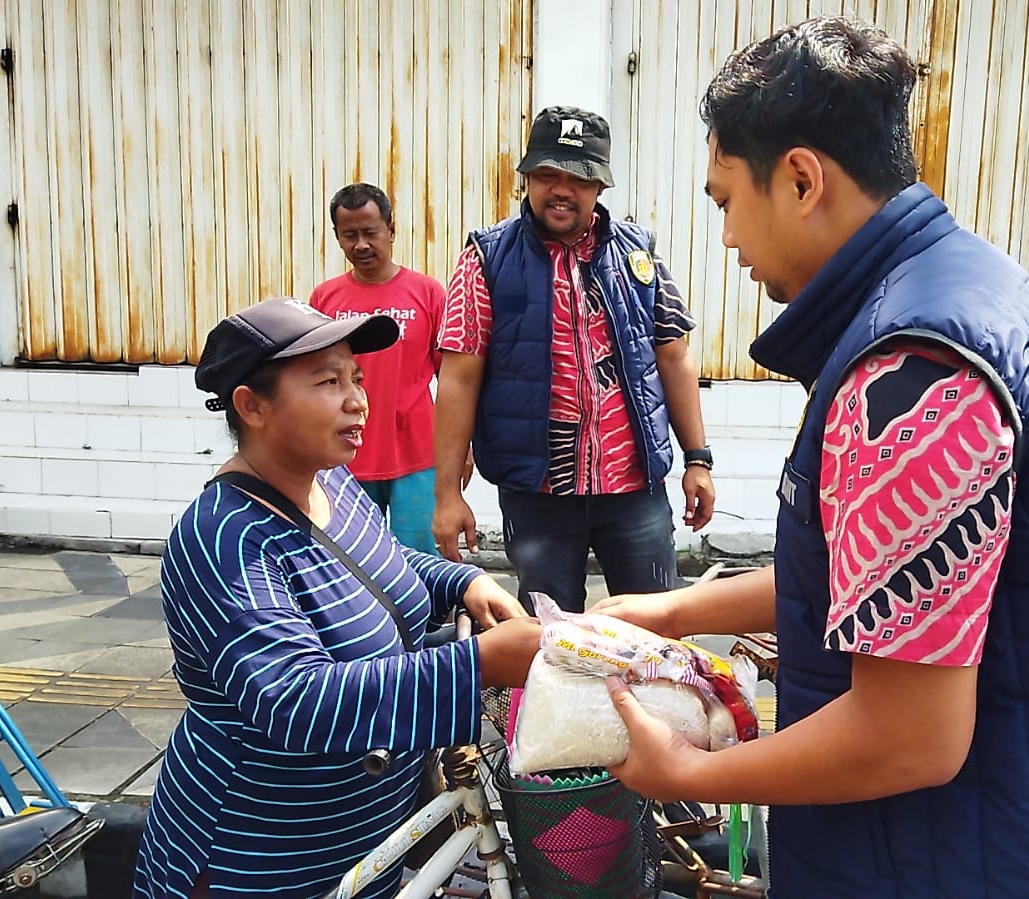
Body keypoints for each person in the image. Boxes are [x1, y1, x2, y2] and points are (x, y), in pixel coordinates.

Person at [597, 17, 1029, 898]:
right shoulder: (975, 289)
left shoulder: (910, 376)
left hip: (989, 859)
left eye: (726, 199)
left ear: (801, 180)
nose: (726, 238)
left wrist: (688, 774)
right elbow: (883, 580)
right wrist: (668, 613)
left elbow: (906, 735)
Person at [132, 298, 539, 899]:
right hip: (260, 859)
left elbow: (385, 567)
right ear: (253, 406)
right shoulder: (224, 538)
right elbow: (295, 700)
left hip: (363, 843)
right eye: (328, 382)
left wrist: (466, 582)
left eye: (356, 378)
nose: (357, 400)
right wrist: (479, 664)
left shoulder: (333, 482)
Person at [432, 105, 716, 612]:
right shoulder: (486, 258)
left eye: (579, 178)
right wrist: (447, 494)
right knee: (551, 640)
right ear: (527, 180)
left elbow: (673, 357)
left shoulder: (638, 254)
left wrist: (698, 459)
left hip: (634, 490)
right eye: (547, 175)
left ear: (600, 187)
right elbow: (458, 379)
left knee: (652, 633)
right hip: (537, 494)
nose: (561, 189)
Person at [310, 183, 448, 554]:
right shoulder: (325, 299)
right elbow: (313, 379)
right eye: (349, 235)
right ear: (337, 237)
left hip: (417, 454)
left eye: (370, 232)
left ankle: (430, 615)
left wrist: (460, 450)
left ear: (391, 229)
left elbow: (451, 379)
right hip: (345, 455)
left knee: (420, 555)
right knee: (354, 557)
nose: (361, 245)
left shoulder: (428, 293)